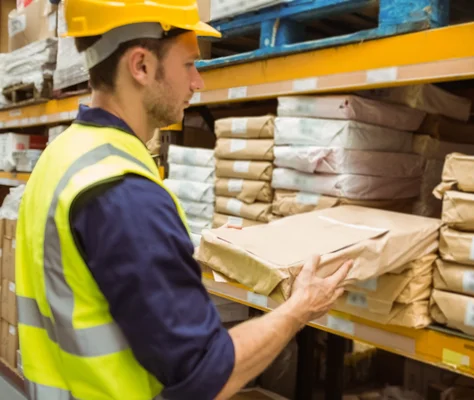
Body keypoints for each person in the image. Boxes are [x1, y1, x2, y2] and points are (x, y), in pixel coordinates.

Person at [15, 1, 352, 399]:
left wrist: (180, 248)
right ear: (140, 66)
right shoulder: (123, 193)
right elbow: (207, 375)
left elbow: (91, 278)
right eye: (189, 64)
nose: (199, 82)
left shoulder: (65, 156)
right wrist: (299, 310)